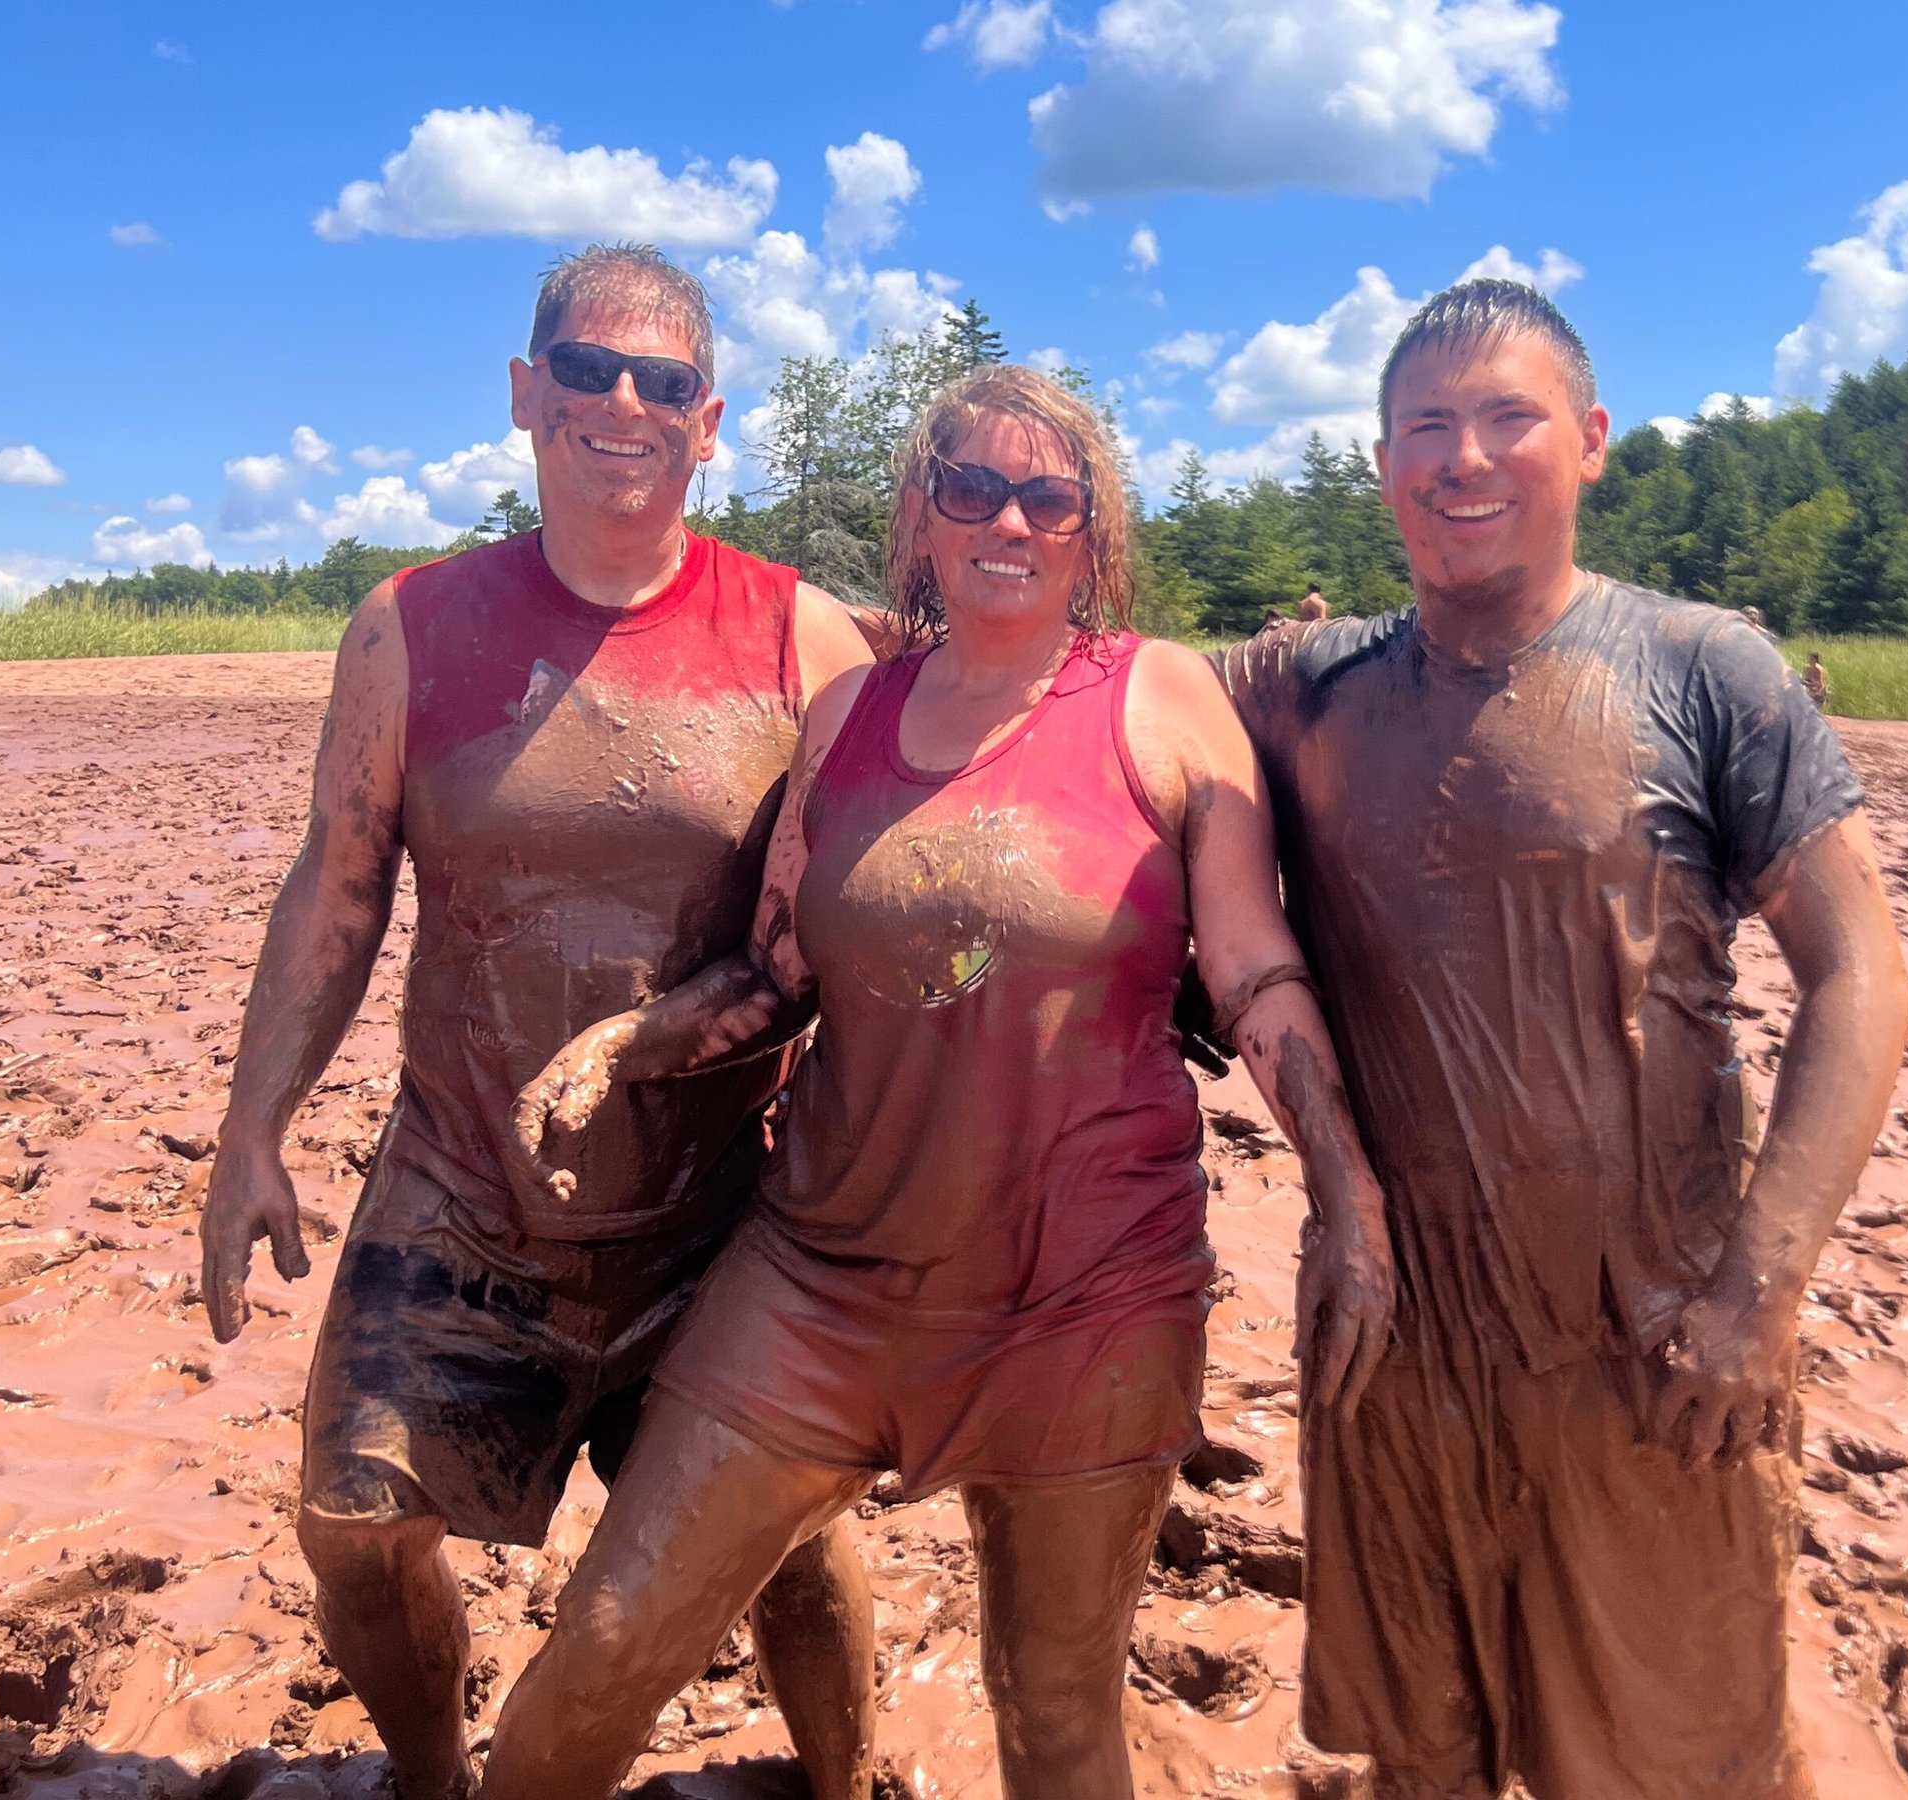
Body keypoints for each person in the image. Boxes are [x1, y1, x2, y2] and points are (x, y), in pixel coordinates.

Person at [472, 365, 1397, 1800]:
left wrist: (1345, 1194)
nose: (1007, 521)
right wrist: (625, 1045)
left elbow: (1260, 978)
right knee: (605, 1645)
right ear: (921, 513)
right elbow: (778, 975)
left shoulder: (1163, 702)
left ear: (1094, 531)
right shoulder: (847, 719)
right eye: (969, 487)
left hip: (1087, 1297)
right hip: (821, 1283)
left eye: (1047, 495)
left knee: (1057, 1720)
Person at [197, 244, 879, 1800]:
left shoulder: (800, 640)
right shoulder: (409, 628)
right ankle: (432, 1771)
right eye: (586, 368)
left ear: (709, 426)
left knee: (789, 1541)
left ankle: (849, 1779)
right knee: (355, 1527)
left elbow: (851, 932)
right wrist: (252, 1132)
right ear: (525, 394)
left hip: (715, 1204)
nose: (620, 403)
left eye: (663, 383)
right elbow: (340, 887)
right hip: (461, 1187)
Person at [1218, 279, 1908, 1800]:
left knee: (1684, 1757)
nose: (1463, 457)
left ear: (1590, 441)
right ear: (1383, 459)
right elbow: (1085, 701)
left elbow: (1861, 975)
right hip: (1396, 1337)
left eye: (1506, 419)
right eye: (1425, 426)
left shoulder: (1701, 666)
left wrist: (1760, 1296)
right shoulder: (1305, 691)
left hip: (1650, 1334)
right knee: (1423, 1752)